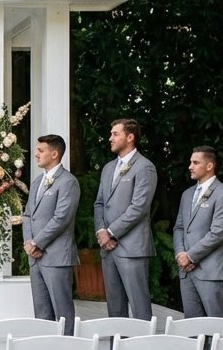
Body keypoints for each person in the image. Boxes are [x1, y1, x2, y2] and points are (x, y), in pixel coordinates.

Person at [93, 117, 157, 320]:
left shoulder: (144, 167)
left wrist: (111, 232)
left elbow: (139, 207)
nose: (110, 138)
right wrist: (101, 231)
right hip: (108, 248)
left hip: (132, 249)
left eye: (115, 134)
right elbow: (99, 203)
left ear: (130, 137)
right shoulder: (108, 168)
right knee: (114, 308)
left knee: (139, 307)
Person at [22, 134, 80, 335]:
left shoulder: (68, 182)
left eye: (41, 151)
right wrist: (29, 243)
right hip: (35, 257)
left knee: (62, 311)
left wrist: (37, 243)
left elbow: (61, 218)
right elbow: (28, 214)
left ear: (54, 154)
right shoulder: (38, 181)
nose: (36, 154)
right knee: (41, 311)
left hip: (56, 257)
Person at [173, 146, 223, 318]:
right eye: (190, 162)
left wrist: (191, 256)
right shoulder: (187, 194)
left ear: (209, 166)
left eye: (195, 162)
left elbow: (217, 233)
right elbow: (179, 227)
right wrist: (180, 254)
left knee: (218, 326)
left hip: (211, 271)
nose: (190, 166)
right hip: (186, 271)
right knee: (192, 327)